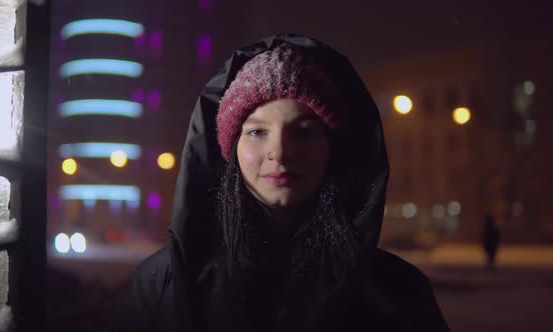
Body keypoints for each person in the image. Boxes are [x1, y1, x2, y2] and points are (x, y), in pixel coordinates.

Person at [115, 33, 449, 332]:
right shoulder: (163, 284)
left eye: (303, 131)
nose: (279, 151)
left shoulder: (395, 292)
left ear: (332, 148)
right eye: (257, 132)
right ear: (230, 150)